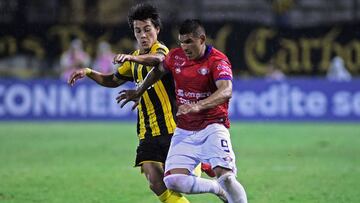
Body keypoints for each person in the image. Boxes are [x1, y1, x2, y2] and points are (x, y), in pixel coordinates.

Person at [68, 4, 199, 203]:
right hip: (147, 131)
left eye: (147, 29)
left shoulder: (161, 51)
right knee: (155, 182)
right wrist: (89, 72)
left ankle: (210, 177)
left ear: (157, 30)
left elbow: (158, 61)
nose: (143, 35)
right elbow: (112, 80)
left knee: (179, 182)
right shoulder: (135, 61)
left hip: (173, 129)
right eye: (138, 31)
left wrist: (130, 57)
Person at [118, 19, 248, 203]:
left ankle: (223, 186)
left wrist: (198, 105)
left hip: (213, 125)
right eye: (181, 41)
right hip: (185, 129)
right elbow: (158, 70)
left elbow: (226, 90)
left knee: (225, 176)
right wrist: (139, 90)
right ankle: (216, 188)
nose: (184, 46)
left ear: (201, 39)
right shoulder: (175, 56)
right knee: (173, 181)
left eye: (189, 42)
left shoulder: (217, 60)